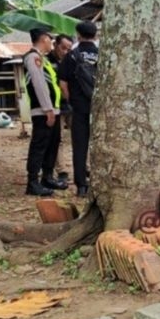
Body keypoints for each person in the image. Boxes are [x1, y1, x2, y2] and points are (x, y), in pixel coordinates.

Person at [23, 27, 66, 196]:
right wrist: (47, 109)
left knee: (52, 144)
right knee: (39, 145)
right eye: (50, 39)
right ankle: (32, 181)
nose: (52, 43)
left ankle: (47, 177)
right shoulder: (33, 58)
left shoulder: (43, 59)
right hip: (43, 111)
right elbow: (39, 85)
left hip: (52, 110)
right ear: (44, 39)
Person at [58, 21, 98, 197]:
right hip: (99, 109)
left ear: (78, 35)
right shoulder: (101, 54)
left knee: (80, 147)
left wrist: (71, 100)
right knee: (100, 146)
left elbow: (63, 84)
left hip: (79, 108)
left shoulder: (71, 56)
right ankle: (98, 181)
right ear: (95, 35)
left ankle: (81, 185)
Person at [48, 34, 73, 183]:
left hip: (72, 103)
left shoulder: (72, 60)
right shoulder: (47, 61)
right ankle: (61, 170)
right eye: (63, 48)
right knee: (59, 139)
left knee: (81, 137)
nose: (65, 52)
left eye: (68, 49)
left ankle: (86, 167)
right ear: (55, 45)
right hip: (55, 104)